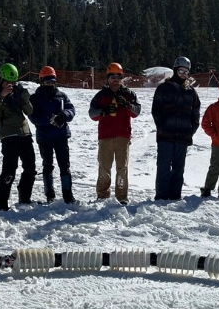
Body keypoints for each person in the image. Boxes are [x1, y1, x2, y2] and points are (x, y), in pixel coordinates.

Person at [0, 63, 36, 211]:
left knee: (30, 168)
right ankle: (0, 201)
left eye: (12, 82)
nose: (10, 85)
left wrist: (21, 99)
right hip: (8, 135)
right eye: (7, 82)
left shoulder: (21, 91)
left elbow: (30, 111)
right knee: (9, 170)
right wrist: (1, 96)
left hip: (24, 133)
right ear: (1, 80)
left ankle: (25, 197)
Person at [88, 62, 141, 204]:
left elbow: (136, 112)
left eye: (118, 76)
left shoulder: (128, 94)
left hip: (122, 137)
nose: (115, 79)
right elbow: (92, 114)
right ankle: (102, 195)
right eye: (112, 76)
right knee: (104, 168)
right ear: (107, 78)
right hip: (105, 137)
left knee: (122, 168)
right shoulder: (101, 96)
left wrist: (127, 106)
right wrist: (103, 112)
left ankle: (121, 196)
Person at [151, 56, 201, 200]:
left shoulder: (191, 92)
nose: (183, 74)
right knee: (164, 167)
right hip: (165, 136)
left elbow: (195, 113)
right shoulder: (163, 88)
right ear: (175, 70)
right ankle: (161, 197)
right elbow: (156, 110)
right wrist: (161, 127)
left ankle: (175, 196)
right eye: (181, 71)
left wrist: (191, 129)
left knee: (179, 169)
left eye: (186, 72)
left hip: (182, 137)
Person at [28, 66, 76, 204]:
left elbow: (71, 110)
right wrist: (51, 118)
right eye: (47, 82)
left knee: (64, 165)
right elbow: (33, 117)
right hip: (45, 137)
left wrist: (64, 116)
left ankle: (68, 194)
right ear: (41, 81)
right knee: (47, 165)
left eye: (52, 81)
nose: (50, 84)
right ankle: (50, 195)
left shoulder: (61, 95)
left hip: (61, 135)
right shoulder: (35, 98)